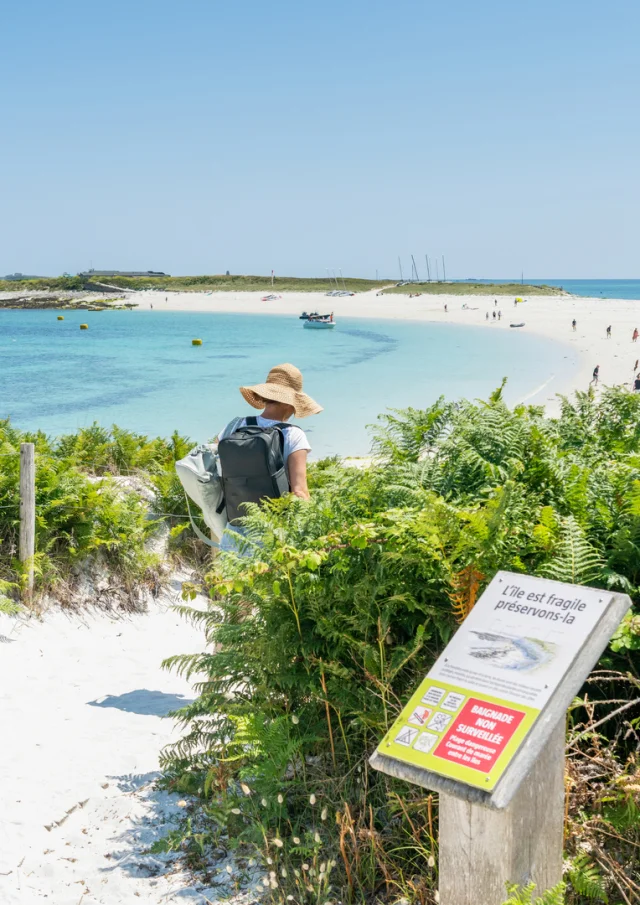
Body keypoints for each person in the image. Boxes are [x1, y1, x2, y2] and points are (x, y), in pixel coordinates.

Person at [218, 363, 322, 553]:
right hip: (272, 537)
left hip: (233, 535)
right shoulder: (293, 435)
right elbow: (300, 493)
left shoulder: (234, 426)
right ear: (289, 402)